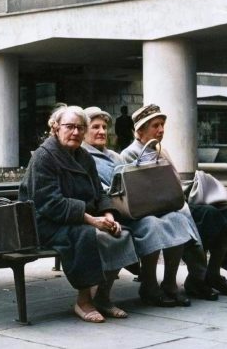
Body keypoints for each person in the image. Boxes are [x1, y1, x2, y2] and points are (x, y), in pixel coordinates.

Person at [19, 104, 139, 323]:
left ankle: (102, 297)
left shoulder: (83, 156)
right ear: (55, 128)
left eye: (80, 128)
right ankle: (83, 301)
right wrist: (91, 220)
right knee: (86, 235)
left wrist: (108, 214)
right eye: (69, 127)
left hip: (76, 217)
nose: (75, 132)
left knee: (119, 234)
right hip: (45, 221)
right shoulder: (43, 157)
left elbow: (99, 193)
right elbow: (49, 203)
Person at [122, 104, 227, 298]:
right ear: (140, 130)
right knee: (212, 216)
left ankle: (213, 273)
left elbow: (173, 182)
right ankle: (198, 278)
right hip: (158, 209)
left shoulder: (160, 150)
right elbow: (139, 192)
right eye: (155, 125)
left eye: (162, 125)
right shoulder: (130, 154)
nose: (161, 130)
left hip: (175, 201)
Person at [83, 106, 200, 307]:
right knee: (151, 225)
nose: (102, 131)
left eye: (103, 127)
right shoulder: (83, 157)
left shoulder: (114, 156)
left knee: (177, 219)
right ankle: (149, 285)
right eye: (95, 127)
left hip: (133, 207)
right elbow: (98, 190)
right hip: (111, 212)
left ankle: (170, 283)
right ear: (84, 131)